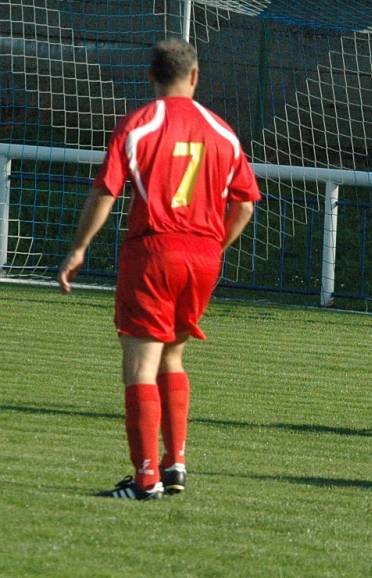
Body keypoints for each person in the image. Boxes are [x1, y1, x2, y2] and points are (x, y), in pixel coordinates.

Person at [57, 38, 261, 500]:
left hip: (153, 252)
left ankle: (145, 479)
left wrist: (78, 249)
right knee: (173, 356)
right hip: (203, 257)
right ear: (195, 77)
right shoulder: (222, 130)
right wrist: (214, 247)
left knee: (140, 366)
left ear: (151, 77)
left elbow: (106, 191)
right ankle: (176, 464)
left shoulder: (139, 125)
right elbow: (246, 203)